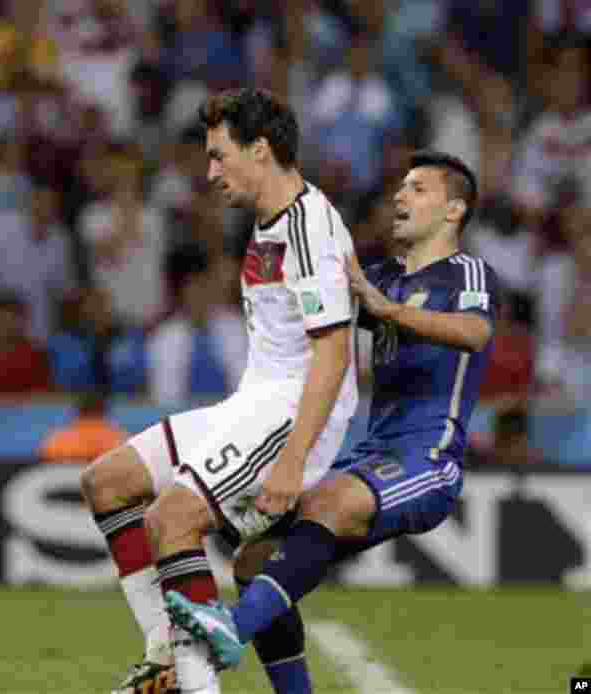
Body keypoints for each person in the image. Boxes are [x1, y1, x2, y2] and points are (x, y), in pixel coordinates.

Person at [165, 151, 499, 694]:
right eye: (400, 187)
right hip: (370, 452)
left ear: (454, 210)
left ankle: (229, 630)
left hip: (427, 458)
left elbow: (474, 333)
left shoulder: (469, 273)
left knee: (327, 503)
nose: (399, 197)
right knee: (254, 559)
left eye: (417, 189)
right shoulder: (383, 277)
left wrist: (386, 310)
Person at [80, 88, 358, 694]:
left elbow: (334, 353)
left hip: (292, 413)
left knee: (171, 520)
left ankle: (192, 683)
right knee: (107, 482)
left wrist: (293, 458)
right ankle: (165, 655)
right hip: (255, 403)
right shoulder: (270, 222)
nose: (210, 172)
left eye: (219, 155)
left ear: (260, 150)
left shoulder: (308, 227)